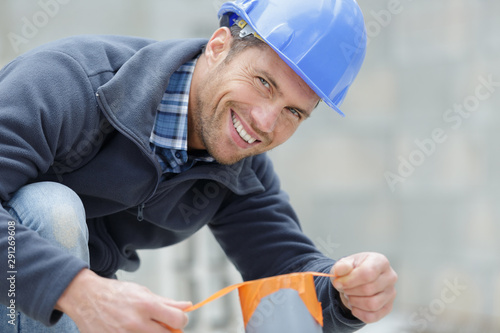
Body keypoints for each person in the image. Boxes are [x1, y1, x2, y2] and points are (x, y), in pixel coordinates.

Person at [0, 0, 397, 332]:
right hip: (18, 293)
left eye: (293, 111)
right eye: (263, 82)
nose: (264, 122)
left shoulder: (237, 166)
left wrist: (348, 293)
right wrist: (82, 291)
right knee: (51, 209)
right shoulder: (68, 83)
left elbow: (284, 277)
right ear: (219, 46)